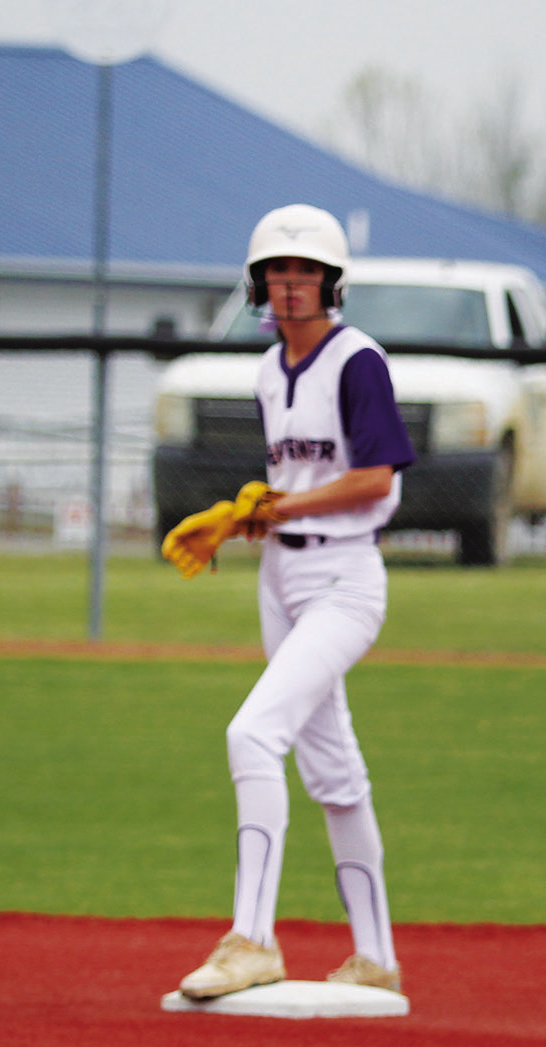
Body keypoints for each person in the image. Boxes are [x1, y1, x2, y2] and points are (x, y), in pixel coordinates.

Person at [178, 204, 415, 1001]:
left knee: (252, 732)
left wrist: (283, 507)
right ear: (258, 285)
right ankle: (375, 956)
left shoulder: (358, 362)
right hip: (282, 579)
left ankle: (253, 940)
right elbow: (298, 487)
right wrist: (253, 517)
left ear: (330, 283)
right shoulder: (265, 372)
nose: (288, 286)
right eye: (276, 272)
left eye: (304, 272)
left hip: (345, 580)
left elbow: (377, 479)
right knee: (334, 771)